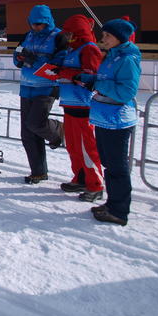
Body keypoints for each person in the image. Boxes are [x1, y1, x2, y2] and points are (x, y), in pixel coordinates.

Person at [74, 18, 141, 226]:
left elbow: (126, 91)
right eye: (103, 35)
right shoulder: (112, 55)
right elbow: (105, 81)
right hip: (104, 118)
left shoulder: (127, 59)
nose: (103, 39)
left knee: (117, 167)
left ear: (120, 37)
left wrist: (98, 84)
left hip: (117, 120)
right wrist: (91, 80)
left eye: (107, 35)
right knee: (108, 164)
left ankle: (119, 211)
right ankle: (112, 204)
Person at [51, 15, 104, 201]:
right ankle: (81, 178)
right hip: (70, 104)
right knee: (73, 146)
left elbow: (91, 76)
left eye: (69, 33)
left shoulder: (89, 49)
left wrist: (64, 72)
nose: (67, 36)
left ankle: (95, 185)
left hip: (84, 106)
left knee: (87, 148)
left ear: (78, 32)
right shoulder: (71, 50)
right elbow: (71, 73)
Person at [13, 4, 66, 184]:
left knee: (35, 123)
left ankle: (58, 130)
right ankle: (38, 171)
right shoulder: (27, 36)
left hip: (46, 87)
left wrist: (34, 60)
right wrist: (19, 58)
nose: (35, 27)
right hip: (26, 87)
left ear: (47, 21)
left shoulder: (58, 37)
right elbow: (16, 55)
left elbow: (57, 68)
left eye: (39, 24)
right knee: (27, 133)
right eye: (33, 24)